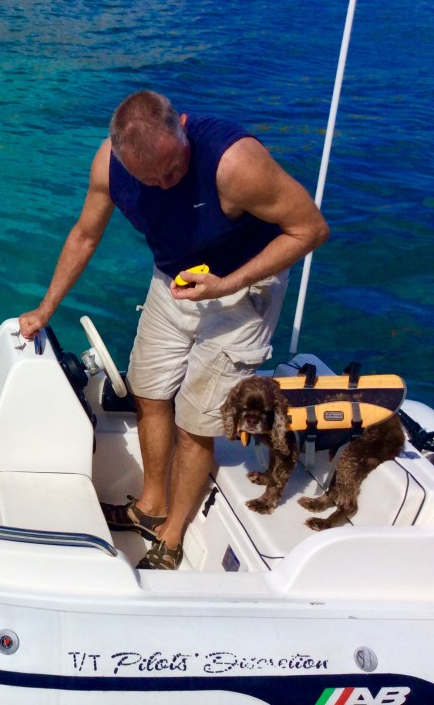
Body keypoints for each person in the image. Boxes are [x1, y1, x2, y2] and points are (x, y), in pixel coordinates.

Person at [19, 91, 329, 570]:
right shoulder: (108, 165)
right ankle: (151, 505)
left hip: (241, 291)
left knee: (196, 422)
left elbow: (310, 229)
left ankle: (173, 532)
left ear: (182, 125)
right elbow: (85, 234)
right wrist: (46, 308)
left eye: (174, 168)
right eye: (151, 179)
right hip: (173, 281)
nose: (166, 183)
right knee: (148, 392)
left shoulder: (235, 163)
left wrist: (229, 282)